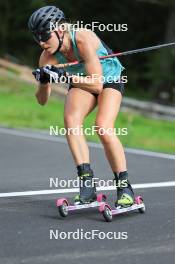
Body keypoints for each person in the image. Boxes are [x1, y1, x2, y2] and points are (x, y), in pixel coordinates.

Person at [28, 6, 134, 207]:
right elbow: (42, 101)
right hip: (82, 81)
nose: (41, 42)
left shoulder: (82, 38)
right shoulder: (47, 56)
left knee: (102, 126)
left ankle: (124, 186)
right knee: (71, 121)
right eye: (36, 37)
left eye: (44, 35)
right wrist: (43, 81)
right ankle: (87, 184)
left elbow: (97, 84)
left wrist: (63, 75)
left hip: (108, 79)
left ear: (59, 30)